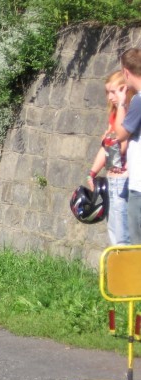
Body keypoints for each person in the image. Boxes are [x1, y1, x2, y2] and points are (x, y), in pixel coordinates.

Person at [86, 70, 135, 245]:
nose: (110, 97)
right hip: (114, 179)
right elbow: (106, 149)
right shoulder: (114, 115)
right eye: (107, 92)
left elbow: (121, 146)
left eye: (114, 92)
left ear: (125, 89)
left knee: (122, 236)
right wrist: (92, 173)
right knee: (115, 232)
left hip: (125, 179)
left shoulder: (131, 113)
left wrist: (111, 140)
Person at [114, 48, 141, 244]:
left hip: (139, 186)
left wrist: (122, 104)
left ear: (126, 72)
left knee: (137, 245)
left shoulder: (139, 101)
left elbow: (120, 134)